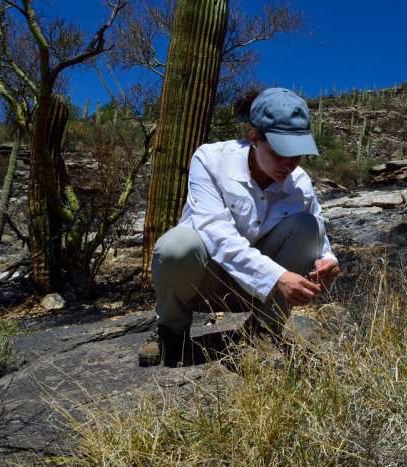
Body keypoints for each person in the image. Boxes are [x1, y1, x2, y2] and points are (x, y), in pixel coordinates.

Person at [139, 87, 340, 367]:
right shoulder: (210, 160)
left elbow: (317, 231)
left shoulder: (300, 182)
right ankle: (171, 332)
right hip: (204, 283)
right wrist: (278, 277)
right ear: (254, 137)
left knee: (307, 225)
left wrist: (327, 261)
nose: (290, 163)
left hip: (259, 292)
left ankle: (264, 330)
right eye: (281, 151)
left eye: (298, 153)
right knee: (176, 246)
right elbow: (216, 234)